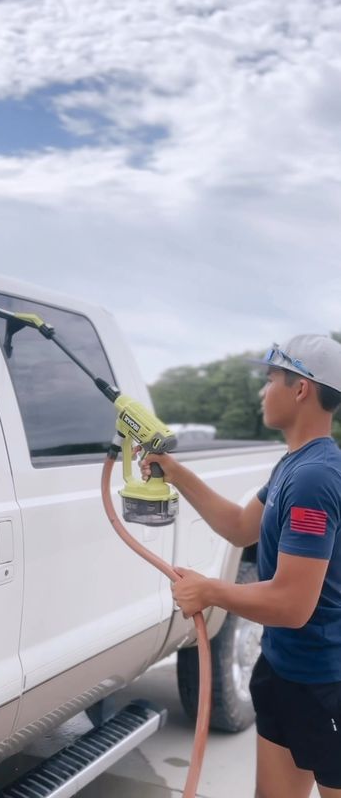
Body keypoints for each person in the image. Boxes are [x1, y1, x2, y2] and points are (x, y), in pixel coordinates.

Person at [140, 335, 341, 798]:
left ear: (301, 388)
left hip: (325, 684)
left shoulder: (315, 477)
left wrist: (211, 591)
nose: (262, 390)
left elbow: (293, 604)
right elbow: (239, 527)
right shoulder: (292, 465)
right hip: (282, 670)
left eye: (270, 378)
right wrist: (174, 472)